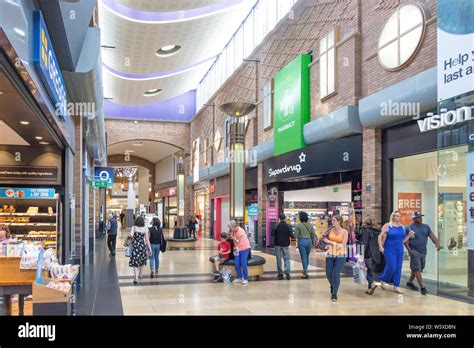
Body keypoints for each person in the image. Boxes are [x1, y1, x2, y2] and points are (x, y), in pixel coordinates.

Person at [404, 211, 441, 295]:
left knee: (418, 268)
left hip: (423, 251)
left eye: (420, 217)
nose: (420, 218)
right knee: (417, 269)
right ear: (413, 219)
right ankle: (422, 287)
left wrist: (437, 243)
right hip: (414, 251)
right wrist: (409, 250)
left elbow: (432, 236)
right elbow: (405, 241)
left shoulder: (426, 227)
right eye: (418, 217)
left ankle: (409, 282)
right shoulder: (409, 228)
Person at [378, 211, 414, 294]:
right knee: (392, 266)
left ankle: (396, 286)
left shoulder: (402, 227)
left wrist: (409, 235)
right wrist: (380, 246)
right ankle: (383, 278)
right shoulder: (388, 225)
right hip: (389, 248)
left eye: (399, 216)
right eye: (397, 216)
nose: (399, 217)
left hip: (399, 249)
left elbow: (403, 240)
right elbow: (380, 236)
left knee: (398, 267)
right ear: (393, 217)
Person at [323, 215, 348, 301]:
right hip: (330, 254)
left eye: (334, 220)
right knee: (328, 273)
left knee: (336, 273)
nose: (332, 222)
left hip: (341, 255)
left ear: (339, 222)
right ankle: (333, 285)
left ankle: (334, 294)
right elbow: (324, 239)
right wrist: (324, 236)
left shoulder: (345, 232)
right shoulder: (330, 230)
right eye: (332, 220)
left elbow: (343, 245)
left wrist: (330, 242)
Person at [360, 218, 383, 295]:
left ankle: (371, 283)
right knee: (370, 270)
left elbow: (365, 242)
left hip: (367, 252)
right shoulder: (377, 231)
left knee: (367, 270)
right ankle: (370, 287)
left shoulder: (365, 230)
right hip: (375, 253)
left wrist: (361, 253)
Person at [293, 211, 317, 279]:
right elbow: (313, 234)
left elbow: (296, 235)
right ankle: (305, 270)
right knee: (307, 257)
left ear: (300, 218)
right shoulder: (310, 225)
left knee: (303, 257)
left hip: (302, 241)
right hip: (309, 241)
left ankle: (305, 272)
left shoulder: (298, 225)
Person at [129, 216, 152, 285]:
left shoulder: (134, 228)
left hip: (135, 247)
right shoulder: (145, 229)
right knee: (142, 261)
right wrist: (150, 249)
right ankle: (140, 274)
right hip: (142, 247)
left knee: (135, 262)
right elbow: (147, 240)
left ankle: (136, 277)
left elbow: (131, 236)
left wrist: (132, 236)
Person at [229, 220, 251, 284]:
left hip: (244, 248)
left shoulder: (240, 231)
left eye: (231, 227)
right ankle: (239, 277)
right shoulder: (232, 231)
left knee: (243, 263)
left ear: (234, 226)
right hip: (237, 249)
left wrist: (233, 238)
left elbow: (239, 241)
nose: (231, 229)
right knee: (236, 263)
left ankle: (245, 278)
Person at [274, 213, 293, 280]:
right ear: (284, 218)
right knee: (286, 258)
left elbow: (272, 234)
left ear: (279, 218)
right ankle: (287, 271)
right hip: (285, 244)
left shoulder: (276, 225)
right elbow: (291, 235)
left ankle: (280, 274)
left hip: (277, 244)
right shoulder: (288, 226)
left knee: (278, 259)